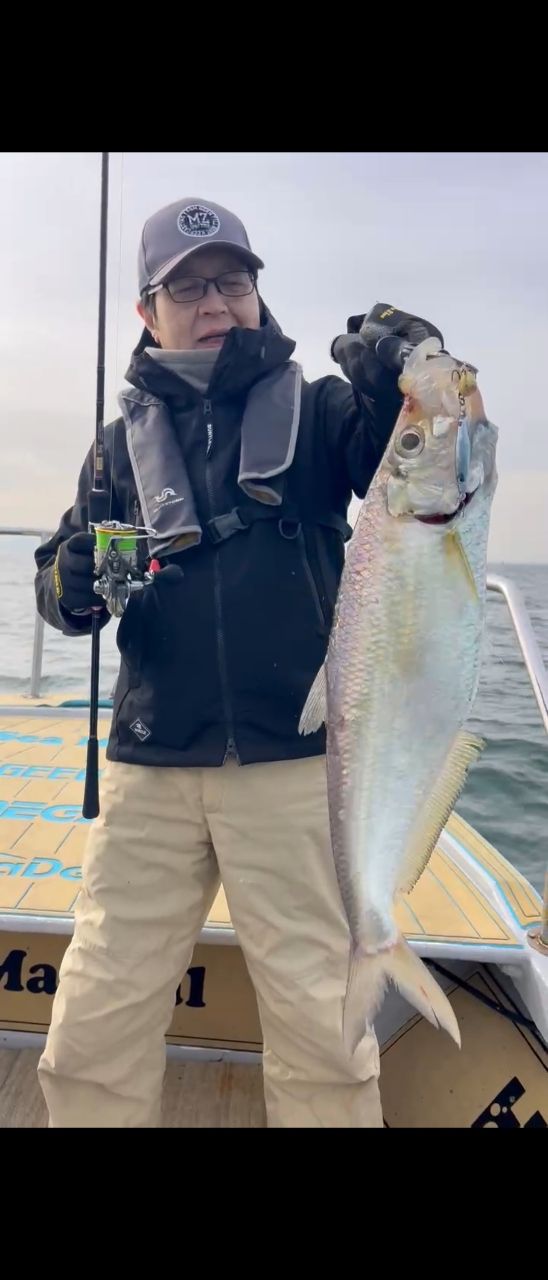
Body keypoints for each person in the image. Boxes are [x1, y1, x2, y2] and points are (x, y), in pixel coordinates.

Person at [34, 197, 442, 1127]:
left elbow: (407, 464)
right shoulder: (115, 451)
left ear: (257, 292)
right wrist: (77, 576)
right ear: (148, 310)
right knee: (96, 1014)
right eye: (188, 287)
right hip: (152, 761)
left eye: (233, 280)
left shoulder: (322, 407)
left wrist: (404, 375)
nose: (216, 302)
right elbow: (60, 600)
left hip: (295, 764)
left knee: (322, 1025)